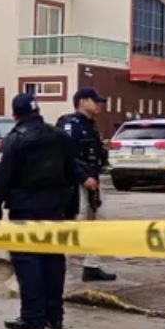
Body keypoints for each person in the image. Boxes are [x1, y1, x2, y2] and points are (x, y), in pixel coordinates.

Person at [0, 93, 79, 329]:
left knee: (27, 260)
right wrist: (72, 210)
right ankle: (54, 315)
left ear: (15, 115)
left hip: (24, 209)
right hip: (55, 208)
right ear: (38, 111)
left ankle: (32, 316)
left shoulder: (13, 140)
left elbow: (1, 180)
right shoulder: (60, 136)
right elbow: (73, 173)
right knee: (53, 258)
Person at [57, 87, 116, 282]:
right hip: (75, 184)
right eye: (95, 101)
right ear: (82, 102)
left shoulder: (90, 125)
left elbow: (93, 156)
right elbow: (67, 157)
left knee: (97, 222)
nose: (99, 105)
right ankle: (58, 264)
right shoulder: (70, 125)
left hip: (91, 181)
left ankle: (92, 266)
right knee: (76, 224)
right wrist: (83, 178)